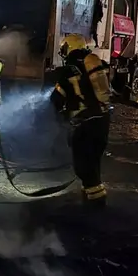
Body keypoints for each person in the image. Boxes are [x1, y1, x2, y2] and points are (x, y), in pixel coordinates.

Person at [49, 33, 112, 208]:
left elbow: (56, 99)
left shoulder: (68, 71)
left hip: (84, 125)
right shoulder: (98, 65)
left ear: (69, 48)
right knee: (94, 161)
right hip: (103, 121)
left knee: (83, 166)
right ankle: (91, 198)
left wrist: (60, 117)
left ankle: (96, 207)